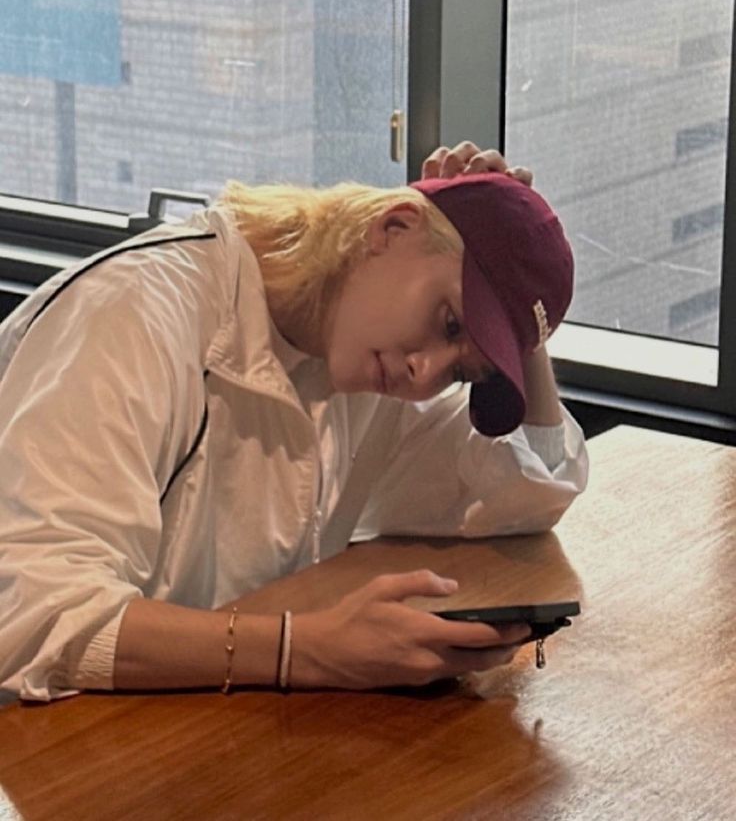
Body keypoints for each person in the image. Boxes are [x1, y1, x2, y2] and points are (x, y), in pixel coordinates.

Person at [0, 142, 588, 701]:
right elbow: (36, 617)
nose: (425, 369)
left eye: (462, 373)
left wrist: (521, 317)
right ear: (392, 227)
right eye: (452, 323)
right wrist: (301, 650)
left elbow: (519, 500)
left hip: (182, 728)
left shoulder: (365, 362)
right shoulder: (137, 312)